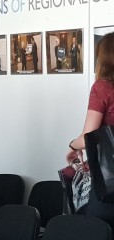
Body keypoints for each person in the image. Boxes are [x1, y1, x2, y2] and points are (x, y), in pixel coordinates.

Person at [66, 32, 114, 229]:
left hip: (109, 182)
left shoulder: (102, 88)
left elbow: (88, 137)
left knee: (96, 228)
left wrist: (72, 145)